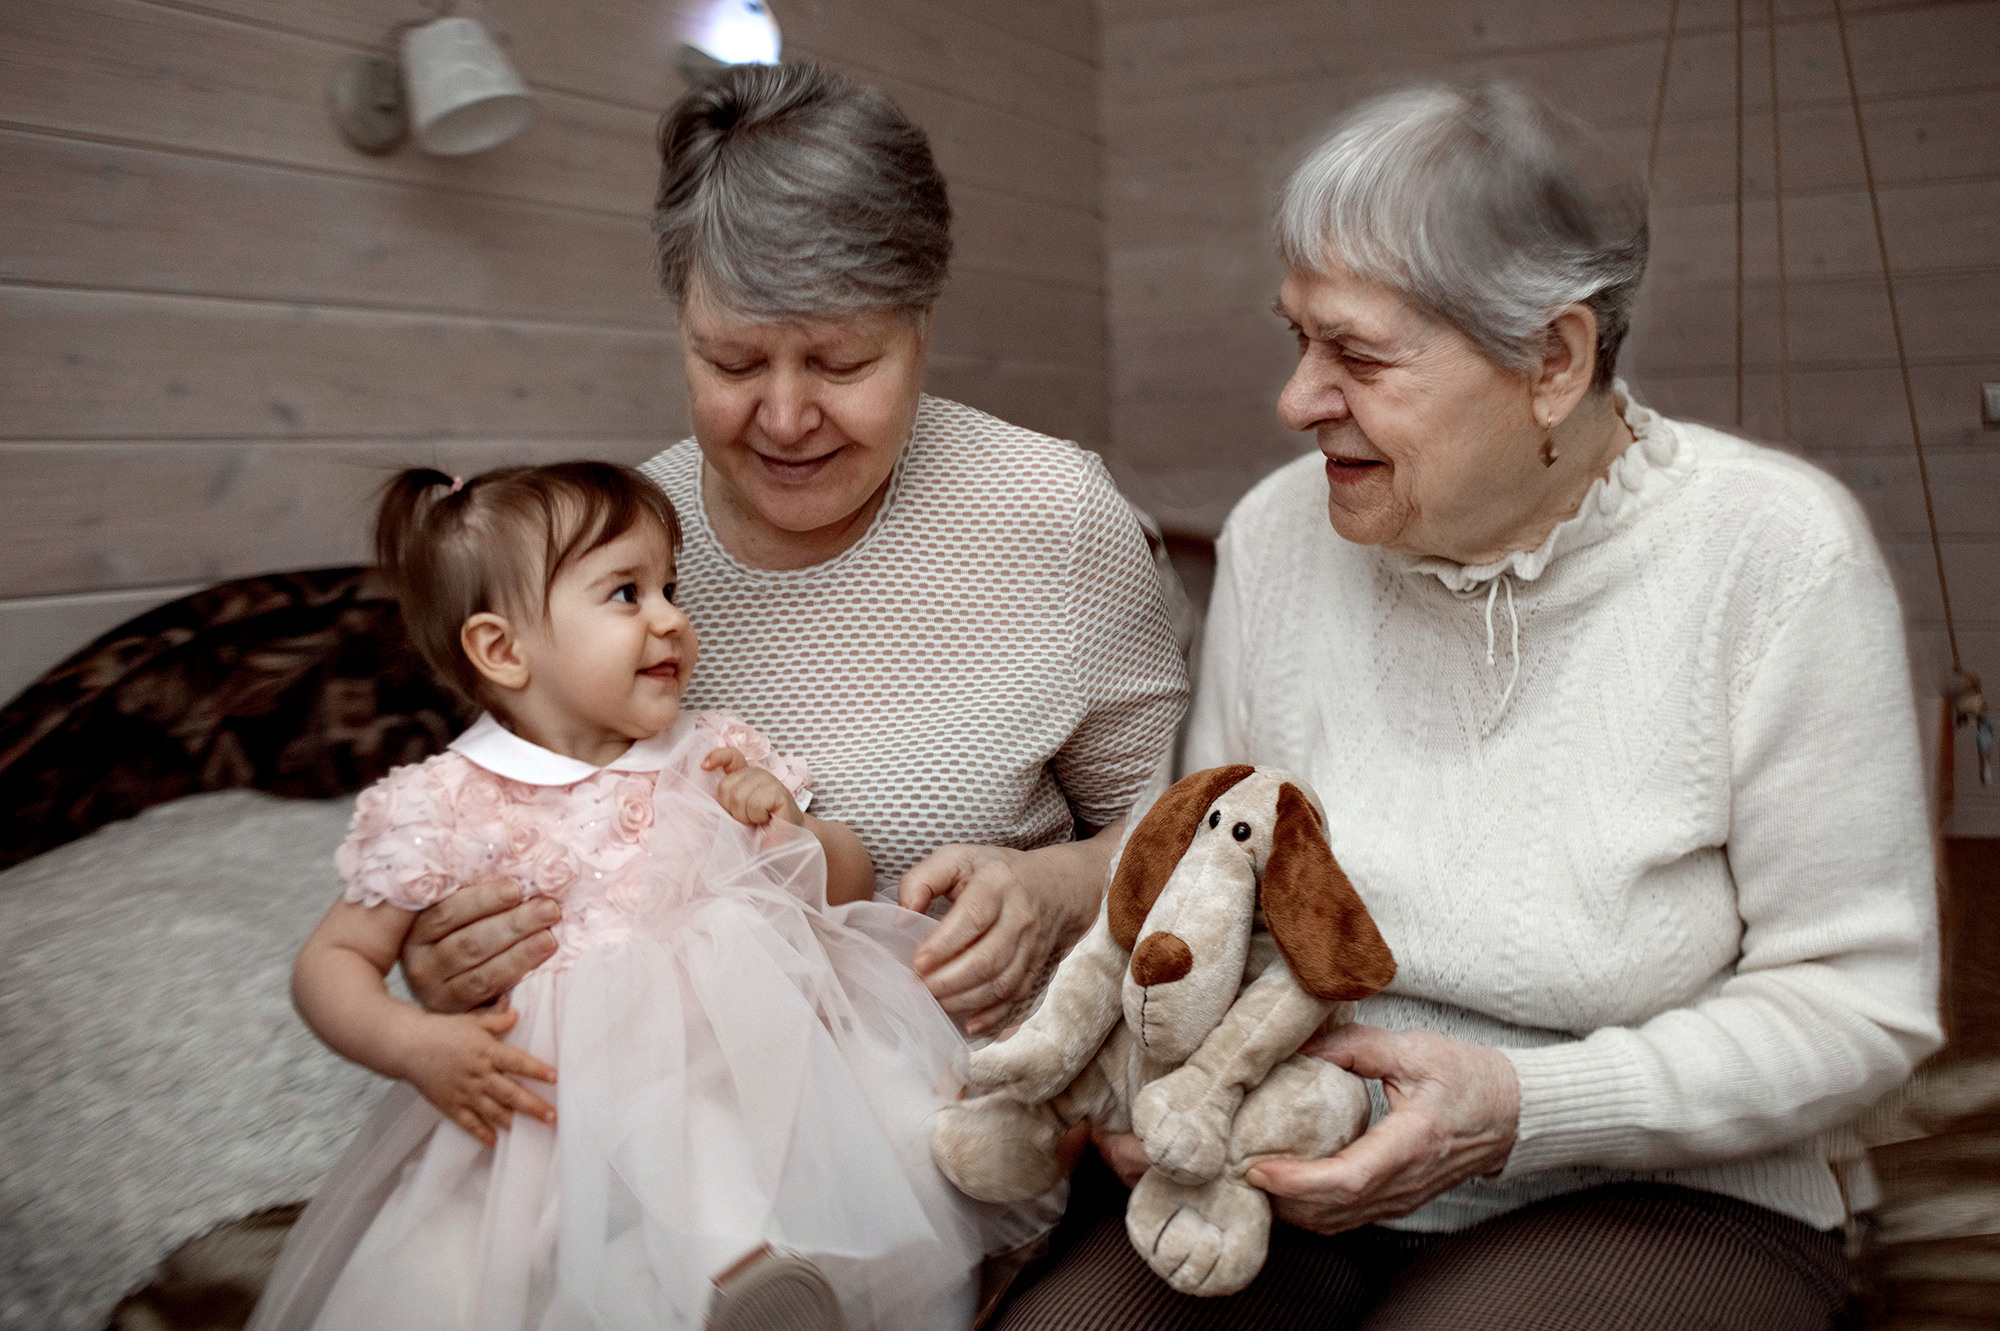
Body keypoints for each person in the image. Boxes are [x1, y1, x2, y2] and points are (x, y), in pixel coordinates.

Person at [996, 82, 1942, 1331]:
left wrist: (1520, 1107)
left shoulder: (1772, 557)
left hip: (1652, 1187)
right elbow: (1199, 886)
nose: (1295, 401)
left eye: (1358, 354)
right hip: (1277, 1158)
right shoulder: (1278, 536)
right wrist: (1152, 1078)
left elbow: (1855, 1001)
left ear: (1552, 359)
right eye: (1295, 338)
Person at [395, 64, 1188, 1047]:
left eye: (838, 360)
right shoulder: (604, 555)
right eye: (730, 361)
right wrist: (454, 956)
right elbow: (534, 828)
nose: (781, 418)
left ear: (922, 325)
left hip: (977, 1110)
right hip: (678, 1096)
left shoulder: (1049, 514)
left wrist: (1066, 884)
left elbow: (1205, 817)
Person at [250, 462, 1003, 1330]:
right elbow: (331, 962)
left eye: (669, 586)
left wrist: (792, 829)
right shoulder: (447, 800)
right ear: (503, 649)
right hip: (560, 1103)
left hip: (753, 1066)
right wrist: (414, 1042)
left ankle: (780, 1280)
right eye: (625, 593)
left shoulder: (713, 751)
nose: (670, 616)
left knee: (891, 1146)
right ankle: (740, 1284)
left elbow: (843, 884)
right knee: (509, 1262)